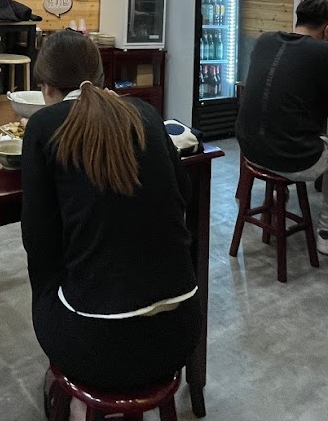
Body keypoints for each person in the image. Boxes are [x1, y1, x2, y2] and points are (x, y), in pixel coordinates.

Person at [21, 29, 200, 403]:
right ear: (101, 75)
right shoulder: (145, 113)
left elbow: (38, 241)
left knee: (47, 275)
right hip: (181, 334)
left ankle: (68, 392)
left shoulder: (43, 125)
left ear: (45, 87)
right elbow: (184, 195)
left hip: (95, 349)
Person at [236, 0, 328, 256]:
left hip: (249, 150)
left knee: (288, 130)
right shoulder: (325, 52)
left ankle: (276, 198)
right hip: (289, 158)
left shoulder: (266, 40)